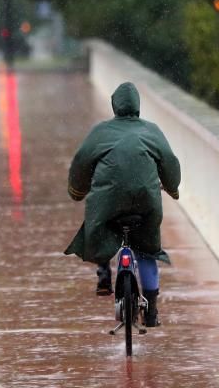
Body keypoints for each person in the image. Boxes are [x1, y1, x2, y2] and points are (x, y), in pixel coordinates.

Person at [64, 82, 181, 328]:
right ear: (138, 106)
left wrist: (77, 191)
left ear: (115, 106)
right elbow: (169, 161)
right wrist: (172, 188)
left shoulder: (101, 132)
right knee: (147, 248)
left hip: (109, 201)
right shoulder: (152, 130)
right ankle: (151, 312)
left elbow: (81, 163)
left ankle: (104, 274)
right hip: (146, 202)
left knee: (98, 224)